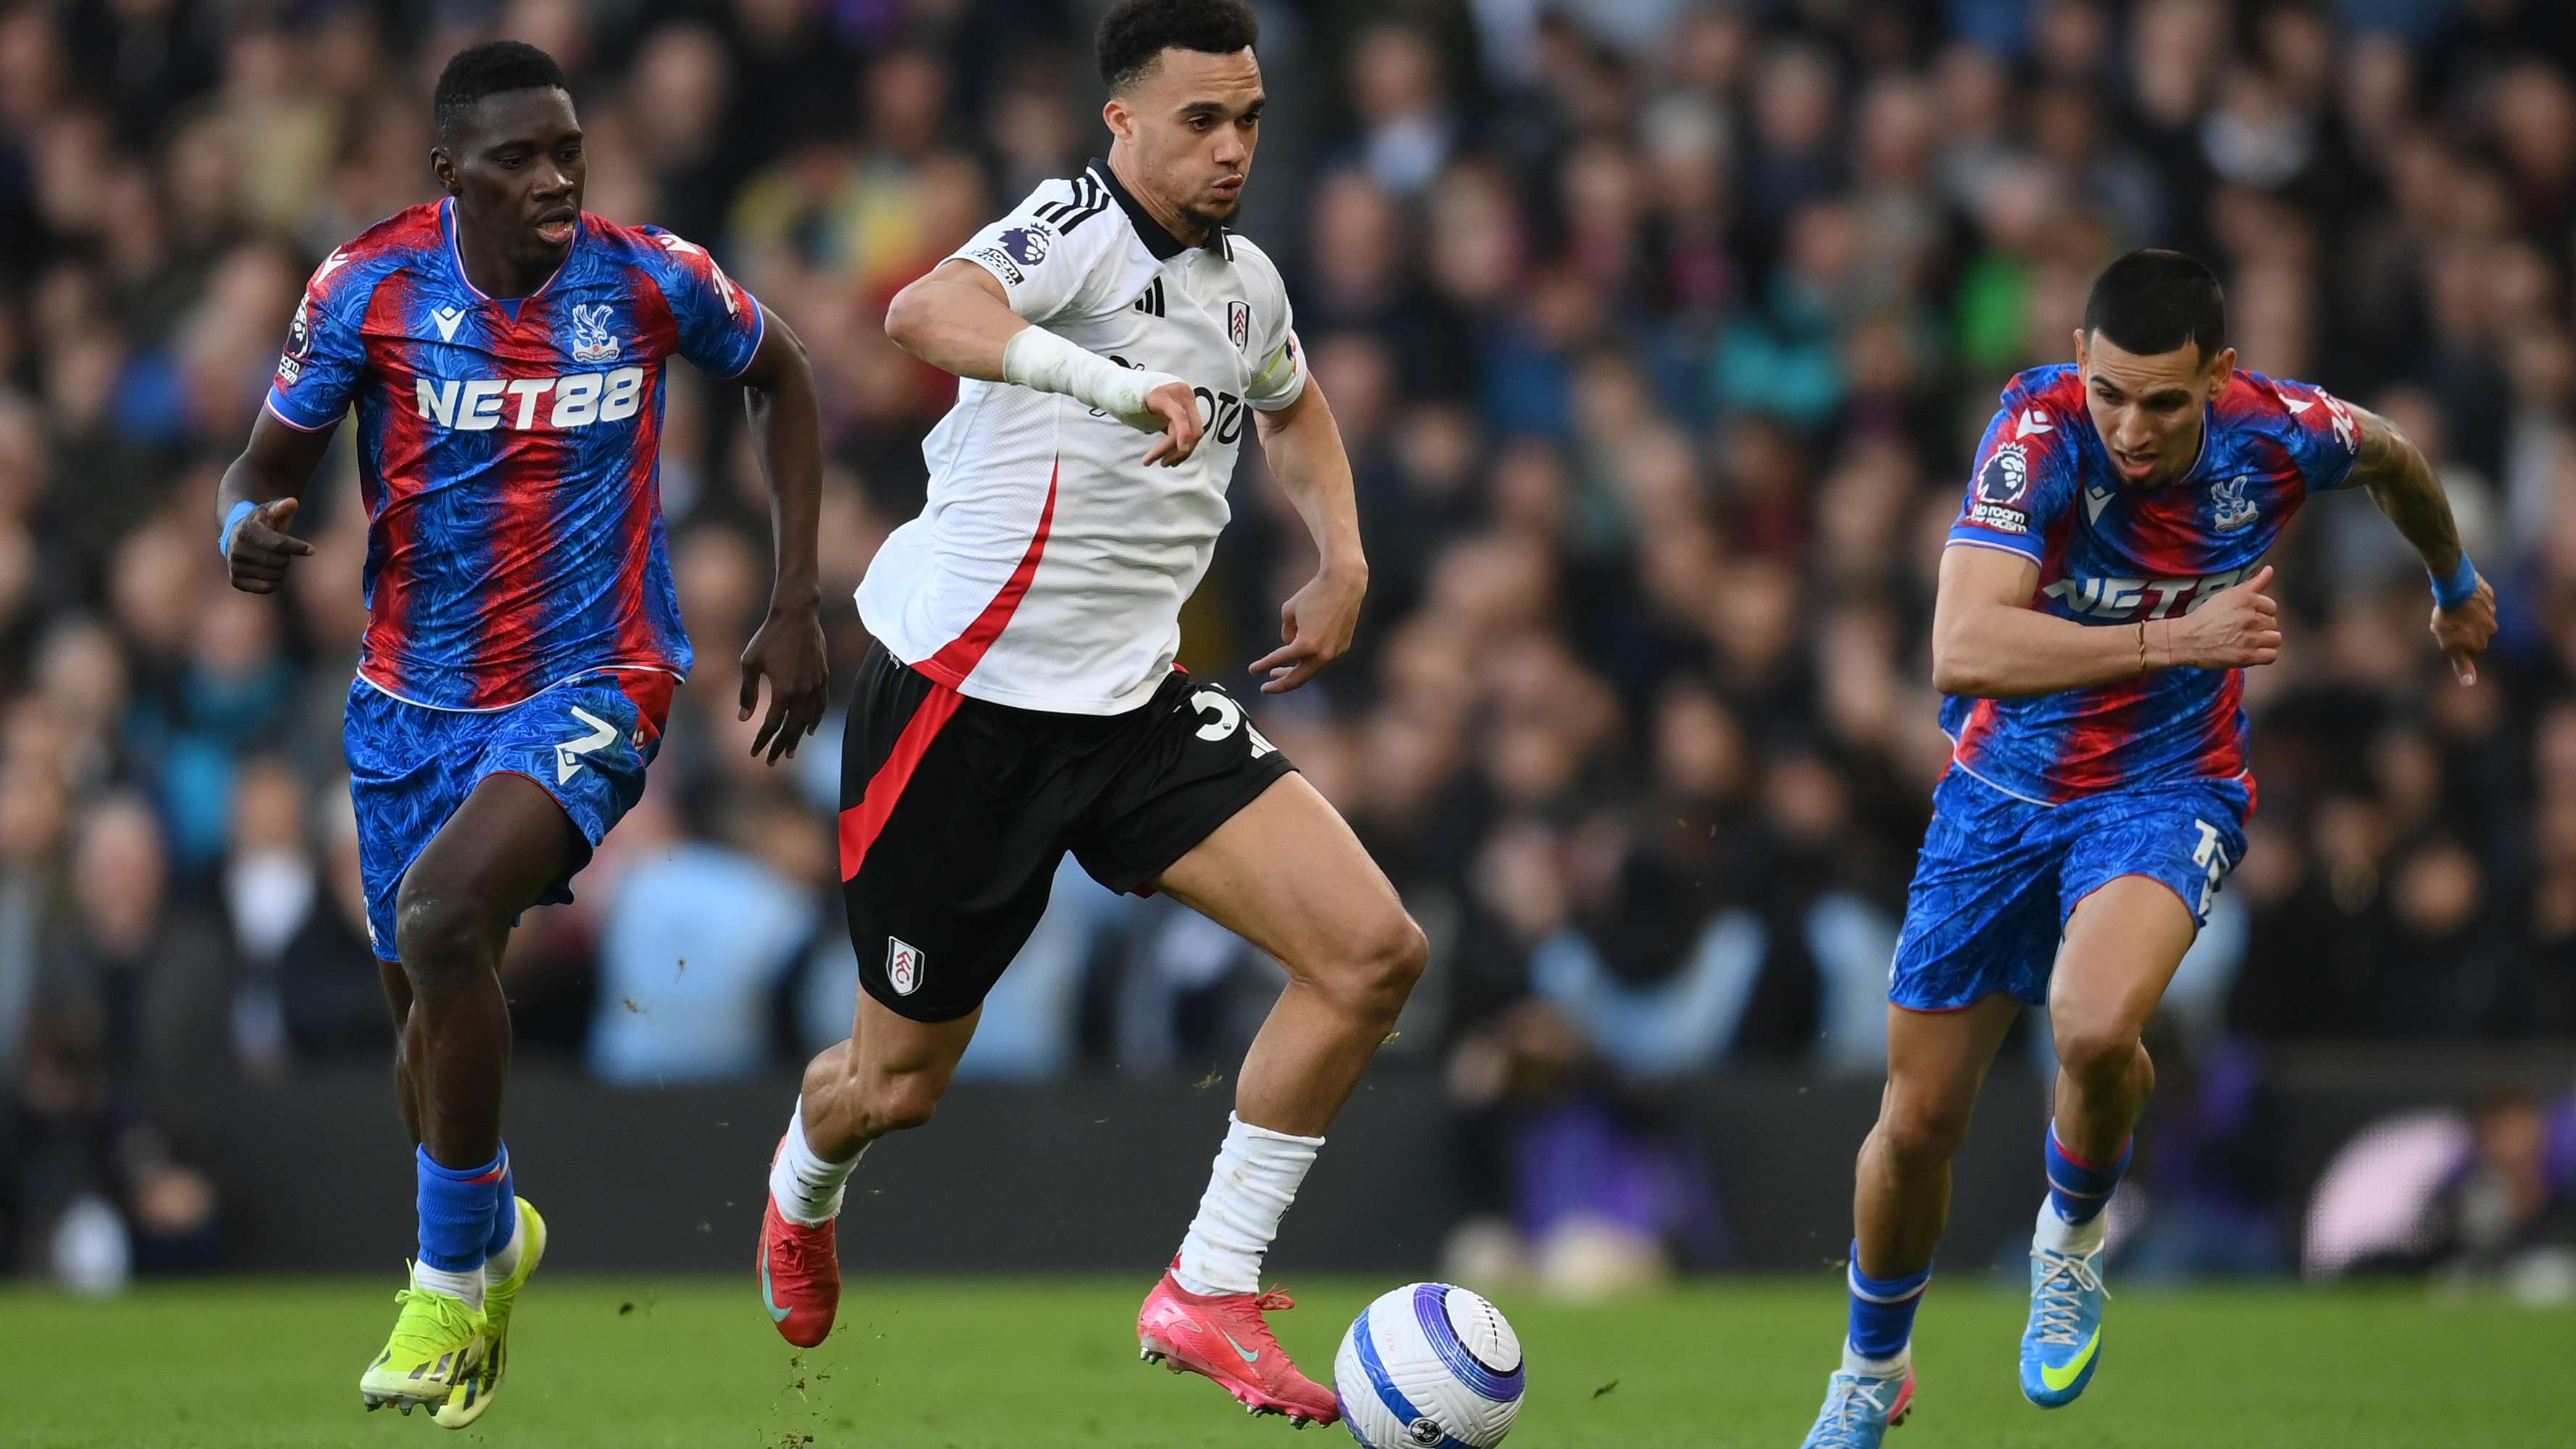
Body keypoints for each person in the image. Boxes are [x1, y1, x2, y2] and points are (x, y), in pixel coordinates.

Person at [754, 0, 1420, 1429]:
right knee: (897, 1087)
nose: (1233, 145)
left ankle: (1209, 1287)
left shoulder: (1247, 285)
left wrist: (1344, 554)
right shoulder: (1073, 226)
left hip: (1126, 707)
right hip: (959, 711)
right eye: (1201, 120)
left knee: (1372, 954)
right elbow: (923, 310)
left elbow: (1292, 405)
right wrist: (1106, 382)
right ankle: (803, 1186)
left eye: (1248, 117)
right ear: (1123, 124)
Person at [215, 40, 827, 1427]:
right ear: (450, 173)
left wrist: (795, 602)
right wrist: (241, 529)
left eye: (567, 148)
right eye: (518, 158)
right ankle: (495, 1229)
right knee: (426, 1035)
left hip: (596, 678)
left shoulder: (651, 274)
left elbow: (783, 374)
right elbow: (258, 468)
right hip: (404, 709)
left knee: (442, 926)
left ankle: (443, 1275)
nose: (555, 177)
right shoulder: (365, 287)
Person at [1796, 249, 2498, 1447]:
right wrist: (2178, 641)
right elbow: (1962, 647)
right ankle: (1872, 1371)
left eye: (2164, 400)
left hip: (2169, 788)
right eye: (2111, 391)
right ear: (2082, 366)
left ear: (2218, 378)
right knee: (1917, 1124)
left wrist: (2453, 576)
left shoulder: (2277, 433)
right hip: (1998, 795)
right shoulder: (2037, 432)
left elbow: (2394, 452)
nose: (2130, 425)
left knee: (2094, 1021)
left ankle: (2070, 1237)